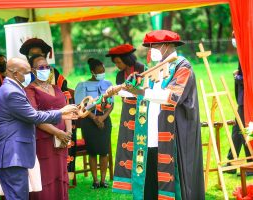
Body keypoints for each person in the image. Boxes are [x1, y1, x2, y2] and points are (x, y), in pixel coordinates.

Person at [108, 30, 205, 199]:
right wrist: (118, 91)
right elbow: (138, 92)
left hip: (175, 134)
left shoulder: (183, 66)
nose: (149, 50)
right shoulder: (156, 68)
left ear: (166, 46)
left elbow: (171, 97)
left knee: (175, 182)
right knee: (150, 179)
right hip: (151, 135)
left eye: (153, 46)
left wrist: (138, 91)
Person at [0, 57, 78, 200]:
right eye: (26, 72)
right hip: (13, 154)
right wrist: (62, 112)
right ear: (14, 73)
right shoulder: (12, 92)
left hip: (15, 153)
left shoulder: (12, 88)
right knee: (17, 196)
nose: (29, 76)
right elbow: (34, 116)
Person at [20, 38, 76, 177]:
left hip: (61, 121)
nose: (36, 57)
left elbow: (64, 98)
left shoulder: (55, 74)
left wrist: (67, 129)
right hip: (37, 126)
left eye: (39, 54)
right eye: (32, 55)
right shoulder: (24, 76)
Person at [25, 54, 72, 200]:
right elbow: (35, 117)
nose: (45, 69)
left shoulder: (57, 88)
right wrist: (57, 132)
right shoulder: (30, 90)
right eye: (41, 67)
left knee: (60, 174)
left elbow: (67, 109)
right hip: (43, 140)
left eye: (47, 67)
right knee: (45, 177)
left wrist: (68, 132)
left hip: (62, 140)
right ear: (33, 71)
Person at [105, 44, 144, 193]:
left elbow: (145, 90)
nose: (117, 65)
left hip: (142, 110)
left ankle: (142, 175)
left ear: (127, 59)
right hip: (128, 112)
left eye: (119, 62)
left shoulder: (141, 69)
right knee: (128, 143)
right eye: (115, 63)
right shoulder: (119, 75)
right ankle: (127, 179)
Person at [74, 58, 113, 189]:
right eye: (99, 71)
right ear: (92, 71)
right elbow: (81, 105)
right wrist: (95, 118)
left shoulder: (108, 84)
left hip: (105, 120)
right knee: (92, 152)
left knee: (104, 151)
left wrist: (103, 118)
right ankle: (95, 181)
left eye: (103, 70)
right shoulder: (82, 85)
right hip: (88, 121)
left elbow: (111, 104)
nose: (102, 73)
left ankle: (103, 180)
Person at [226, 32, 252, 174]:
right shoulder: (243, 51)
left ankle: (250, 162)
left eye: (235, 37)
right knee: (237, 129)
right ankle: (231, 161)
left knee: (246, 129)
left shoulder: (248, 51)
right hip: (243, 99)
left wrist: (237, 77)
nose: (233, 41)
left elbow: (248, 77)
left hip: (248, 98)